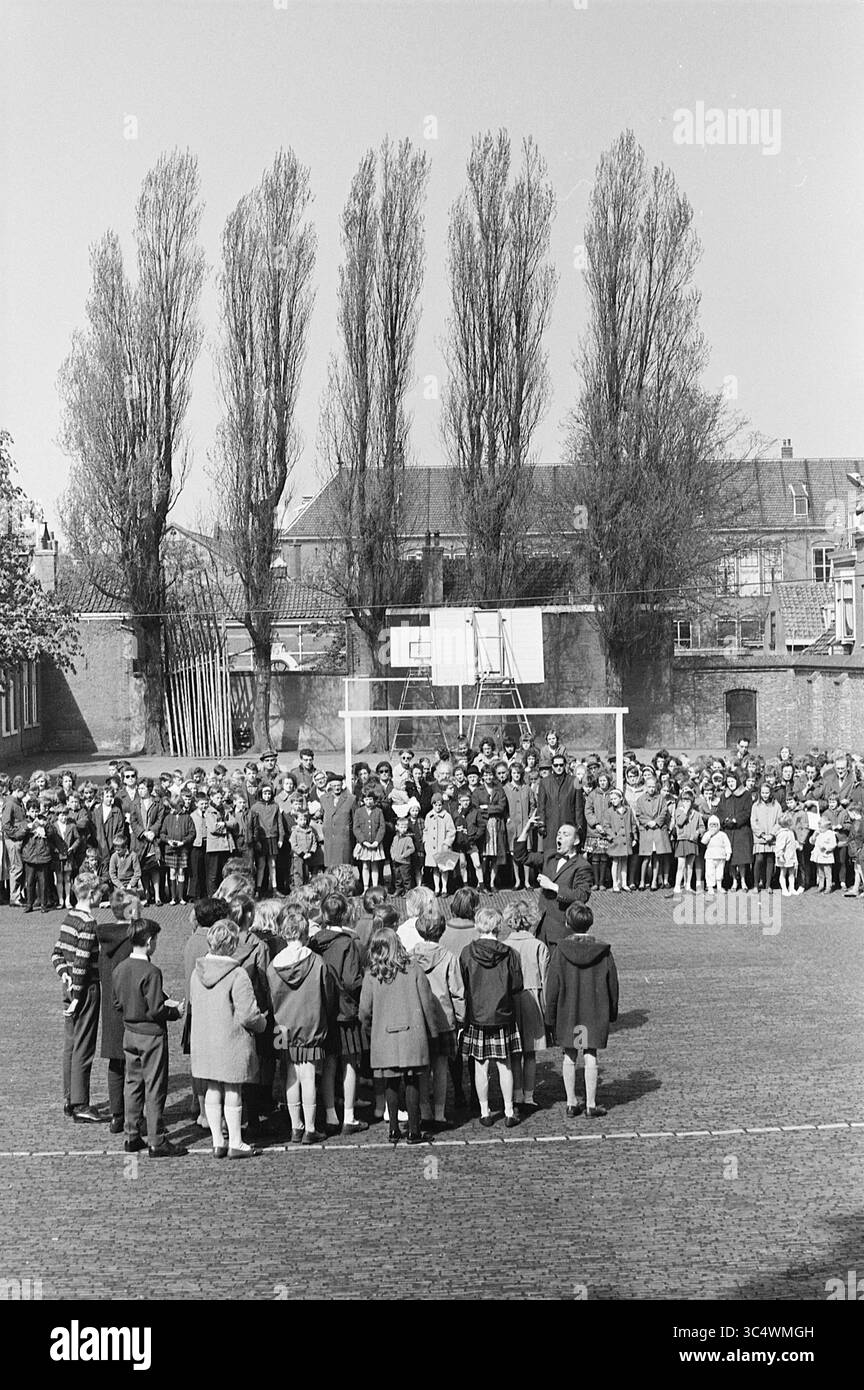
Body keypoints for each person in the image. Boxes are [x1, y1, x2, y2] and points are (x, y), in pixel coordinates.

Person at [190, 917, 268, 1158]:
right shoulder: (238, 974)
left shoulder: (197, 972)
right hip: (231, 1040)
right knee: (233, 1090)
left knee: (212, 1088)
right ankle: (236, 1141)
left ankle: (217, 1141)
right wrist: (262, 1022)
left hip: (205, 1041)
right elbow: (248, 1015)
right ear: (232, 944)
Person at [112, 911, 186, 1158]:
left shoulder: (121, 967)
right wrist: (175, 1012)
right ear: (150, 941)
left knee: (132, 1084)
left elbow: (117, 1002)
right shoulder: (152, 971)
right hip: (151, 1035)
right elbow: (156, 1009)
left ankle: (132, 1135)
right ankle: (157, 1139)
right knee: (154, 1087)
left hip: (130, 1032)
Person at [358, 925, 439, 1145]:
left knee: (390, 1083)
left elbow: (364, 1011)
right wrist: (433, 1031)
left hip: (384, 1037)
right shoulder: (413, 969)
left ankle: (394, 1128)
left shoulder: (371, 975)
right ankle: (414, 1130)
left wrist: (370, 1031)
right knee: (412, 1081)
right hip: (412, 1035)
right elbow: (427, 1003)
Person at [268, 904, 338, 1145]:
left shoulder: (273, 964)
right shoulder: (317, 962)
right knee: (308, 1075)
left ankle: (295, 1126)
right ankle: (310, 1127)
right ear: (305, 933)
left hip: (282, 1026)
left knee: (290, 1074)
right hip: (311, 1024)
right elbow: (327, 994)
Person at [545, 903, 618, 1119]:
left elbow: (553, 986)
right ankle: (591, 1104)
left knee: (569, 1055)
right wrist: (612, 1012)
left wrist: (550, 1015)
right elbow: (612, 984)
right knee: (590, 1055)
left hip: (569, 1011)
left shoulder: (560, 950)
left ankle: (570, 1102)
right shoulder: (603, 952)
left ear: (568, 923)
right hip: (593, 1011)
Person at [309, 892, 367, 1136]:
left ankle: (331, 1113)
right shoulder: (348, 943)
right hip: (345, 1010)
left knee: (329, 1063)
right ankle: (349, 1116)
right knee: (349, 1063)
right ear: (344, 914)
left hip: (322, 1009)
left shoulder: (313, 942)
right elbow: (353, 981)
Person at [459, 907, 523, 1128]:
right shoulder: (510, 953)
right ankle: (508, 1109)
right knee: (505, 1065)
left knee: (480, 1066)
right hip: (503, 1014)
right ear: (498, 926)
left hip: (477, 1015)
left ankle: (485, 1111)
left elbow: (464, 984)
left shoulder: (467, 952)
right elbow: (517, 985)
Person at [51, 871, 105, 1122]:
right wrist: (76, 994)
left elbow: (56, 954)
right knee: (84, 1046)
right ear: (92, 894)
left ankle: (69, 1098)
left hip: (69, 987)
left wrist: (64, 975)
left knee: (70, 1046)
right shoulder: (88, 923)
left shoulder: (68, 917)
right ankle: (81, 1103)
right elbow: (82, 963)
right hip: (85, 990)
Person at [409, 905, 464, 1132]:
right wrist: (461, 1017)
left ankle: (425, 1110)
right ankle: (440, 1113)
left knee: (422, 1067)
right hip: (443, 1018)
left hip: (418, 1017)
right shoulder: (449, 957)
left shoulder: (410, 956)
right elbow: (457, 992)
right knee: (441, 1068)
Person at [513, 817, 593, 951]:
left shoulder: (582, 866)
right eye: (558, 834)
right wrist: (526, 829)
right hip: (541, 928)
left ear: (576, 841)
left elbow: (582, 895)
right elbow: (521, 856)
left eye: (565, 834)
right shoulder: (550, 856)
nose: (560, 837)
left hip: (562, 931)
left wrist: (553, 886)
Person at [501, 900, 548, 1116]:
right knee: (530, 1053)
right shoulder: (538, 945)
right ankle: (529, 1096)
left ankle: (517, 1094)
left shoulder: (504, 945)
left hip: (511, 999)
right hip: (533, 997)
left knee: (514, 1053)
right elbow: (546, 980)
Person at [96, 890, 135, 1134]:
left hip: (110, 1008)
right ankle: (133, 1114)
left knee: (116, 1063)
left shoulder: (105, 939)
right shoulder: (133, 940)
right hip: (130, 1007)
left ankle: (116, 1115)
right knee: (134, 1065)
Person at [534, 751, 585, 856]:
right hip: (550, 825)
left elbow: (579, 806)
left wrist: (579, 825)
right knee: (550, 854)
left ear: (565, 765)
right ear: (552, 766)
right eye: (556, 765)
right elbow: (541, 806)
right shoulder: (544, 782)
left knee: (568, 854)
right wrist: (541, 824)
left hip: (568, 823)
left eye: (561, 765)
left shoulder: (575, 781)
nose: (559, 767)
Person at [130, 778, 165, 906]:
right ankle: (146, 894)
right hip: (140, 841)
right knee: (143, 869)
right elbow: (133, 822)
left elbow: (160, 819)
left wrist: (152, 831)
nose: (140, 791)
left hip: (153, 841)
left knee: (154, 868)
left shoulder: (157, 802)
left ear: (149, 789)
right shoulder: (134, 803)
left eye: (143, 788)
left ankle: (157, 896)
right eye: (139, 788)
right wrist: (143, 833)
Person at [635, 771, 672, 891]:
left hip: (657, 831)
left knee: (656, 857)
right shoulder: (641, 799)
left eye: (653, 787)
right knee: (646, 858)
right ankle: (642, 881)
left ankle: (654, 881)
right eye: (649, 787)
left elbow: (664, 812)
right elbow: (639, 814)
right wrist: (647, 822)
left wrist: (656, 822)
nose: (651, 789)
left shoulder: (661, 799)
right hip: (647, 831)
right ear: (645, 787)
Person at [249, 782, 284, 896]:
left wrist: (281, 838)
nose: (267, 795)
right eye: (265, 793)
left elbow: (279, 823)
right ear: (260, 793)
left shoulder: (275, 806)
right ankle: (258, 889)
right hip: (261, 839)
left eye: (269, 793)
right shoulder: (255, 807)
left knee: (272, 864)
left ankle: (274, 889)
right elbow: (252, 825)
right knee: (261, 864)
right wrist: (256, 840)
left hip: (273, 837)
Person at [160, 794, 196, 905]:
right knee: (172, 871)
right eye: (173, 807)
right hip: (170, 849)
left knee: (181, 871)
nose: (174, 809)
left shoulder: (187, 817)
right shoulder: (168, 818)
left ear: (181, 805)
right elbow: (162, 833)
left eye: (176, 807)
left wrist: (183, 842)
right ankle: (173, 897)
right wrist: (168, 841)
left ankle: (181, 897)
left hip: (182, 849)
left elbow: (192, 832)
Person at [423, 793, 457, 896]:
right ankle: (437, 888)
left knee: (444, 869)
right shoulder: (429, 816)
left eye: (440, 805)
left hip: (442, 846)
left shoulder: (447, 816)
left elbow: (451, 831)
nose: (438, 807)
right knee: (435, 869)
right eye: (435, 805)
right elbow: (426, 830)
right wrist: (425, 842)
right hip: (431, 847)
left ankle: (444, 888)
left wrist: (447, 843)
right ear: (432, 805)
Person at [352, 788, 386, 890]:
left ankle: (375, 887)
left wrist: (377, 841)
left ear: (374, 800)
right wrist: (364, 841)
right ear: (363, 800)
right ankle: (366, 887)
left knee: (375, 866)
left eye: (370, 799)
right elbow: (356, 828)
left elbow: (382, 827)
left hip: (375, 844)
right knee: (365, 866)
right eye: (366, 799)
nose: (369, 801)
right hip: (364, 845)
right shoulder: (359, 812)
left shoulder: (378, 811)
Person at [750, 782, 782, 893]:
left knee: (770, 860)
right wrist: (762, 834)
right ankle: (756, 884)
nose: (765, 795)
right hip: (760, 838)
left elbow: (780, 821)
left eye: (767, 793)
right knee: (759, 860)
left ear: (771, 793)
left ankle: (768, 885)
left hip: (771, 838)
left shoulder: (776, 805)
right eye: (763, 793)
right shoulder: (756, 805)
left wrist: (772, 834)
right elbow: (753, 822)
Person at [321, 772, 355, 870]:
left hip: (344, 839)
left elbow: (354, 819)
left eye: (339, 785)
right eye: (334, 785)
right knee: (331, 867)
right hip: (330, 839)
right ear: (330, 786)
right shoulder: (323, 799)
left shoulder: (351, 799)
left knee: (344, 866)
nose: (337, 788)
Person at [702, 816, 732, 896]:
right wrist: (709, 835)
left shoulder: (722, 834)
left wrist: (728, 853)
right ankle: (710, 887)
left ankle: (719, 886)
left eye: (715, 825)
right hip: (710, 857)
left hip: (720, 856)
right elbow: (703, 842)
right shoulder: (707, 834)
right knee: (709, 872)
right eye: (711, 825)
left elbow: (727, 844)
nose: (713, 827)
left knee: (720, 872)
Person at [108, 830, 143, 896]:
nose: (117, 852)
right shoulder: (114, 856)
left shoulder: (133, 855)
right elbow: (112, 874)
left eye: (119, 850)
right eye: (115, 850)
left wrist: (131, 884)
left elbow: (137, 872)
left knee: (131, 899)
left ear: (125, 847)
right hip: (119, 883)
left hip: (131, 882)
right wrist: (120, 886)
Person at [390, 814, 417, 896]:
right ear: (397, 827)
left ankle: (407, 891)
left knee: (406, 878)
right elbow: (392, 847)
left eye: (405, 827)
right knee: (397, 877)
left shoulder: (408, 838)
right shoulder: (395, 837)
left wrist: (404, 855)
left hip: (405, 862)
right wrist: (393, 855)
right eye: (401, 827)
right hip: (396, 860)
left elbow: (412, 849)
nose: (403, 829)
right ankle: (398, 889)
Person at [773, 813, 799, 897]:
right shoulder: (782, 834)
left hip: (791, 856)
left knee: (792, 873)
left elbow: (792, 842)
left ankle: (791, 888)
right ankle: (784, 889)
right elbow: (779, 846)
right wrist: (780, 856)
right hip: (784, 857)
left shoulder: (790, 832)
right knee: (783, 873)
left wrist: (797, 845)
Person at [811, 816, 837, 893]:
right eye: (819, 827)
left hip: (826, 856)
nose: (820, 829)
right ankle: (821, 885)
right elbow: (811, 842)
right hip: (819, 856)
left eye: (822, 828)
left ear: (827, 827)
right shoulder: (818, 833)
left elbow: (833, 844)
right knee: (820, 872)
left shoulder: (830, 834)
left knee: (827, 872)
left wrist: (826, 848)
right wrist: (814, 835)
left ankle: (828, 886)